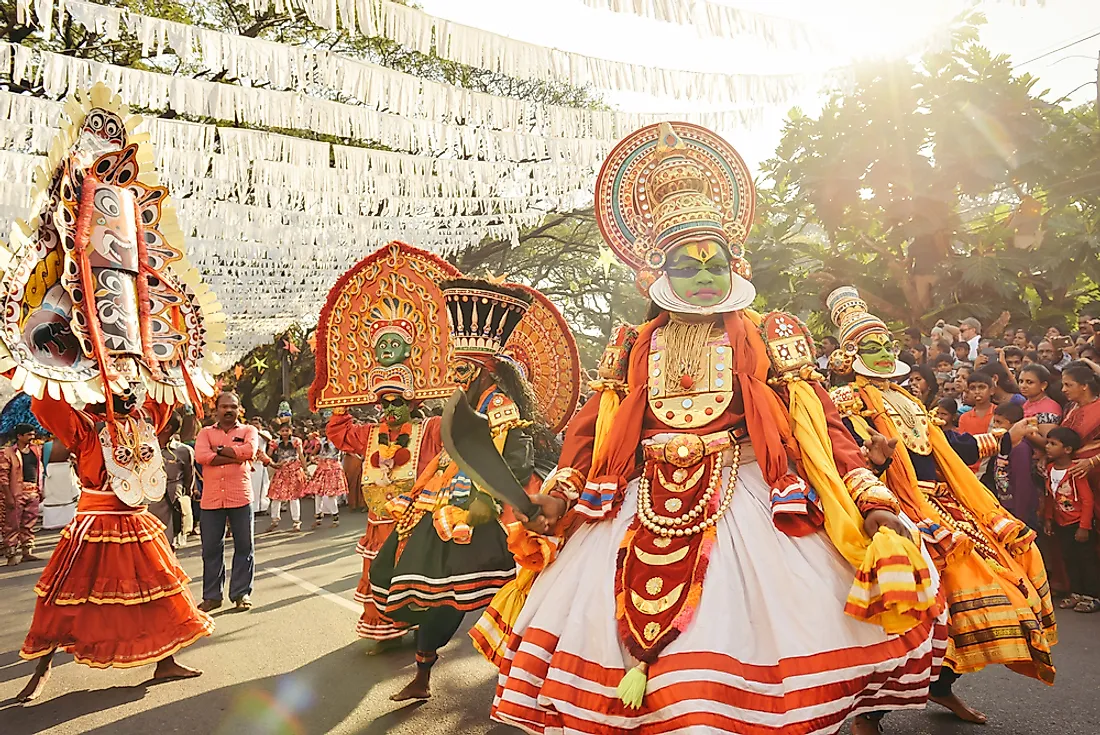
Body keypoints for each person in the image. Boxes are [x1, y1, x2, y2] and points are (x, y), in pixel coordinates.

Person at [488, 124, 945, 735]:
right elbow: (590, 431)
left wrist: (870, 498)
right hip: (638, 500)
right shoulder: (631, 345)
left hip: (750, 496)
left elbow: (820, 427)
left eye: (714, 263)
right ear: (657, 273)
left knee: (751, 644)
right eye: (685, 264)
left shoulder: (769, 333)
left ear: (736, 266)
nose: (703, 275)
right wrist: (560, 493)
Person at [0, 84, 224, 701]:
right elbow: (48, 403)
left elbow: (167, 389)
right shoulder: (82, 422)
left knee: (163, 591)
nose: (124, 394)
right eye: (116, 391)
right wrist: (43, 356)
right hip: (93, 524)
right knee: (62, 603)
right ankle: (39, 676)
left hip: (135, 519)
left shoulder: (143, 415)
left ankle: (165, 661)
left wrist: (163, 357)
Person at [827, 288, 1055, 731]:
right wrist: (873, 461)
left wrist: (1008, 437)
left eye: (885, 345)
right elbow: (842, 457)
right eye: (869, 347)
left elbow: (946, 447)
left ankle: (941, 684)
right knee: (920, 609)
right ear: (850, 354)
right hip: (894, 508)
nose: (881, 353)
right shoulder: (846, 403)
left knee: (1004, 587)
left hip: (950, 505)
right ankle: (871, 711)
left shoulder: (908, 400)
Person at [372, 277, 576, 702]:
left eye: (463, 369)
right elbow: (448, 459)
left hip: (495, 515)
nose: (455, 377)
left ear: (484, 370)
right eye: (455, 368)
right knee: (440, 594)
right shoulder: (466, 406)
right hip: (446, 509)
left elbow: (514, 463)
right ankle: (423, 676)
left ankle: (525, 680)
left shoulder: (501, 406)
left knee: (508, 597)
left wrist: (489, 502)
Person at [313, 242, 463, 647]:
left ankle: (418, 629)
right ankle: (384, 625)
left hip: (416, 521)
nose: (389, 408)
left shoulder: (429, 428)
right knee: (379, 573)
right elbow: (338, 430)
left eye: (396, 401)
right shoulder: (369, 433)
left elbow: (456, 429)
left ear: (413, 402)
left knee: (415, 576)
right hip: (379, 522)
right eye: (383, 402)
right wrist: (347, 389)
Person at [195, 392, 260, 612]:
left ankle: (241, 594)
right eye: (224, 407)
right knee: (211, 549)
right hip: (211, 500)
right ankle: (212, 597)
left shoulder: (249, 430)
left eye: (233, 406)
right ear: (216, 410)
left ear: (239, 408)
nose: (228, 410)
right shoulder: (205, 433)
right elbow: (202, 457)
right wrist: (236, 456)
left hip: (240, 496)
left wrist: (219, 451)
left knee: (245, 547)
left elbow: (251, 450)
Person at [1043, 427, 1100, 613]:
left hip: (1078, 523)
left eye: (1053, 444)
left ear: (1067, 449)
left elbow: (1087, 500)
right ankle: (1075, 592)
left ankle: (1092, 596)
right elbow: (1050, 496)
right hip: (1062, 523)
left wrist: (1084, 526)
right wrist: (1049, 519)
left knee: (1086, 559)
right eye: (1047, 443)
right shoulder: (1050, 469)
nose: (1048, 447)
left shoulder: (1076, 471)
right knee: (1069, 559)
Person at [149, 414, 196, 549]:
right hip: (148, 502)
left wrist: (185, 497)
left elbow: (189, 478)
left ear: (167, 427)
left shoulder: (184, 451)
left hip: (172, 501)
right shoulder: (145, 448)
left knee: (169, 542)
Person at [2, 423, 44, 565]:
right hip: (16, 492)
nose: (32, 437)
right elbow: (3, 476)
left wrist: (40, 489)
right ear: (19, 436)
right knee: (12, 524)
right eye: (29, 435)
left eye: (33, 434)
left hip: (33, 491)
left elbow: (40, 470)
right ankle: (11, 555)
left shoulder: (35, 450)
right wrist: (7, 496)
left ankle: (27, 552)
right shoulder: (8, 452)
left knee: (29, 523)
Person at [266, 420, 307, 531]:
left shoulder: (296, 441)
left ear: (291, 431)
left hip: (294, 470)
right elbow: (268, 455)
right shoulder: (275, 442)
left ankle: (296, 521)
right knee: (275, 495)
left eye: (286, 430)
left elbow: (301, 455)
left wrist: (305, 469)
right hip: (281, 470)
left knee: (294, 497)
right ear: (279, 432)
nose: (284, 433)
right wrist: (272, 461)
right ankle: (274, 519)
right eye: (282, 431)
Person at [309, 435, 346, 528]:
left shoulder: (339, 440)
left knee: (331, 495)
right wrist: (313, 458)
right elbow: (314, 453)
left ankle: (335, 519)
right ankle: (318, 517)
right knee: (317, 494)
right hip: (322, 469)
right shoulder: (321, 441)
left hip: (333, 470)